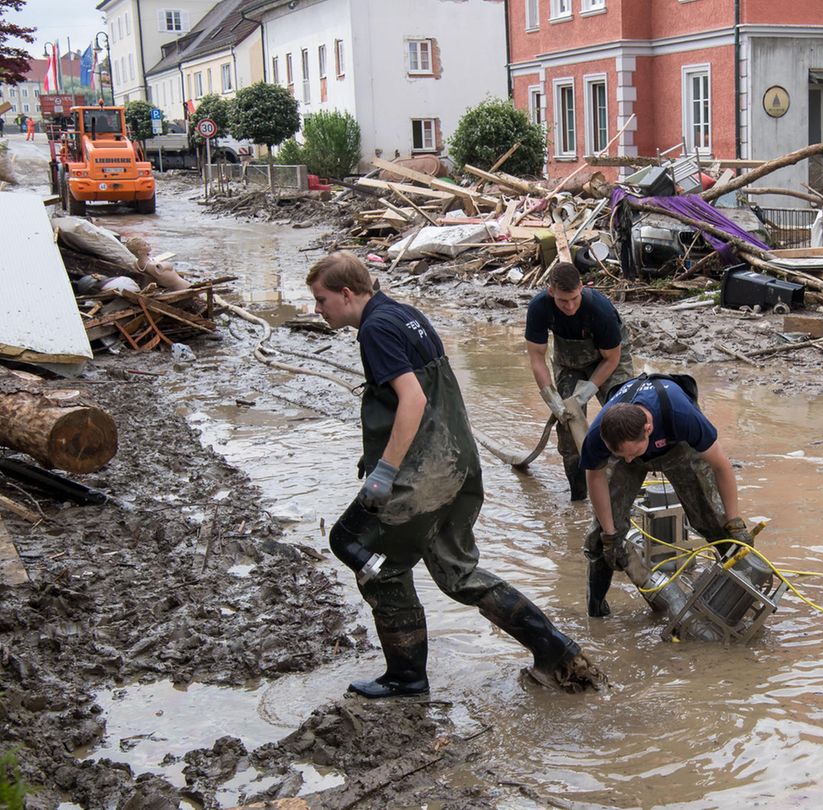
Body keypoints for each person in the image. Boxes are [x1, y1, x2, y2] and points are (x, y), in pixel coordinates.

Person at [307, 251, 603, 697]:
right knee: (458, 573)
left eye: (321, 300)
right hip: (459, 466)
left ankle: (407, 676)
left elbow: (413, 400)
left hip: (423, 475)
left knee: (358, 549)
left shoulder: (375, 329)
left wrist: (385, 471)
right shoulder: (406, 314)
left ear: (347, 294)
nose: (317, 310)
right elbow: (429, 395)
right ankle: (557, 650)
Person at [579, 375, 752, 617]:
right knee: (601, 537)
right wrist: (610, 535)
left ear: (648, 429)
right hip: (629, 443)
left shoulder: (682, 415)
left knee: (716, 523)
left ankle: (741, 602)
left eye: (632, 453)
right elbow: (595, 478)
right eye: (619, 454)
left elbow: (721, 465)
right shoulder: (600, 434)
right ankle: (596, 611)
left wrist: (734, 521)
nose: (628, 459)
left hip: (678, 447)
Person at [525, 261, 634, 502]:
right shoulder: (539, 308)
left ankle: (623, 491)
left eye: (575, 298)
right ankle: (579, 496)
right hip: (569, 362)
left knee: (624, 418)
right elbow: (537, 357)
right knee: (568, 424)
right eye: (563, 301)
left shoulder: (600, 310)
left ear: (581, 288)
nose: (570, 306)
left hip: (609, 359)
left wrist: (589, 389)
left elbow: (612, 358)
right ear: (551, 291)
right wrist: (549, 396)